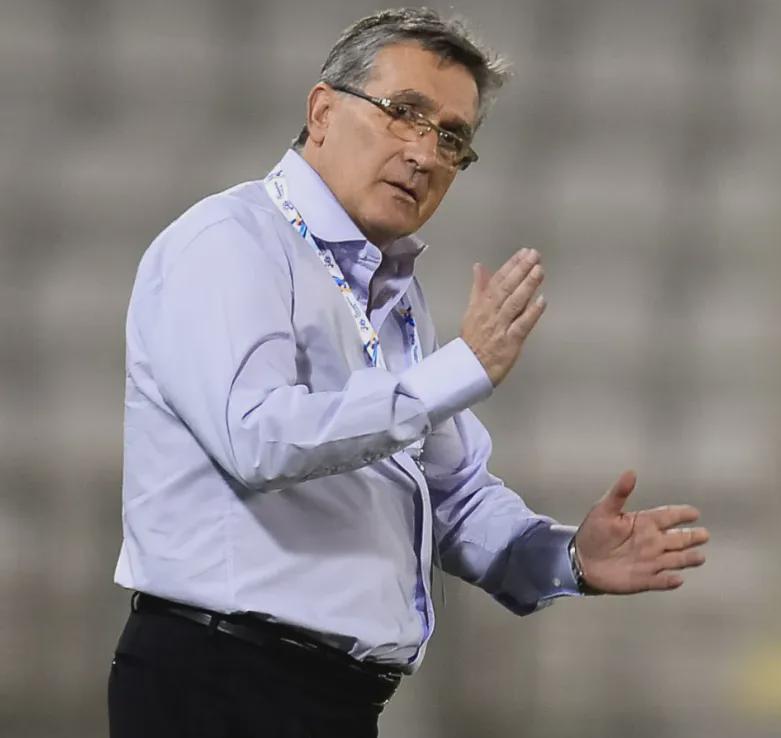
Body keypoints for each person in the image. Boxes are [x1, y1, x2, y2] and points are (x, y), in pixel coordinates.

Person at [108, 7, 710, 738]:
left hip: (323, 700)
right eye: (404, 113)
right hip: (221, 682)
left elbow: (449, 493)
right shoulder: (229, 242)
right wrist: (458, 369)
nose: (425, 153)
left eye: (451, 137)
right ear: (322, 111)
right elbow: (258, 437)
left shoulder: (390, 293)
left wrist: (569, 557)